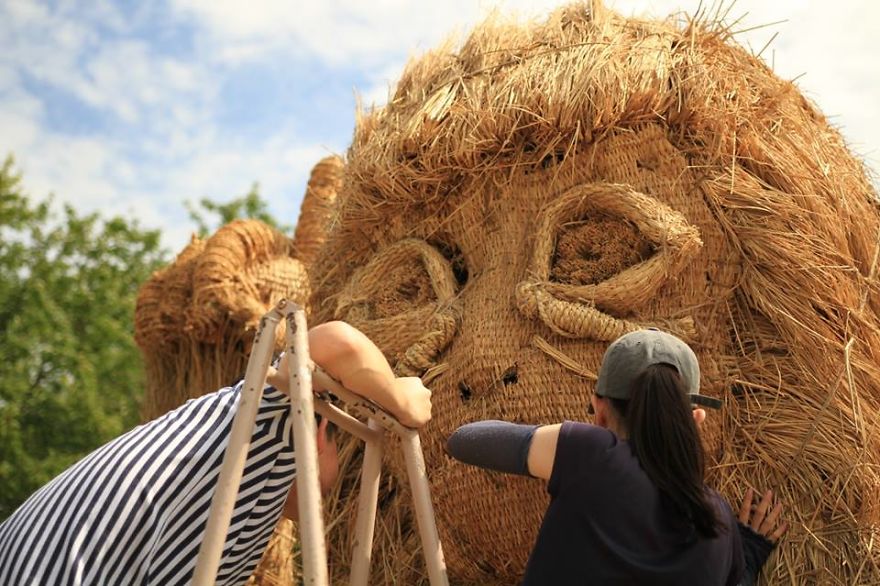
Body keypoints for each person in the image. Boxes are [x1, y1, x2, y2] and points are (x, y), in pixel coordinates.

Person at [0, 321, 432, 585]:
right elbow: (335, 342)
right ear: (319, 432)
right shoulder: (259, 423)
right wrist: (400, 396)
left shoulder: (239, 508)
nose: (328, 498)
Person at [447, 328, 787, 585]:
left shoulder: (591, 455)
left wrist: (571, 441)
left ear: (600, 411)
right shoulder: (719, 521)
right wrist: (750, 551)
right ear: (696, 418)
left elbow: (465, 440)